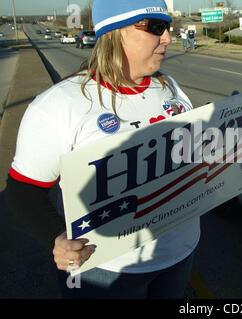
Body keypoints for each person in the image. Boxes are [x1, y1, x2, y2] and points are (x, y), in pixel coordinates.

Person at [5, 0, 199, 299]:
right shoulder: (58, 106)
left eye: (168, 27)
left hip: (180, 254)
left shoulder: (170, 87)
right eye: (156, 27)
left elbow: (191, 155)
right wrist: (55, 237)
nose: (168, 39)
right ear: (114, 33)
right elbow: (23, 189)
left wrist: (231, 161)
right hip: (106, 269)